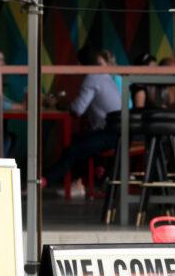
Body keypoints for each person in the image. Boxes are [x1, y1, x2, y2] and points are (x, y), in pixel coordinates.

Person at [42, 46, 122, 189]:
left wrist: (59, 104)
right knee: (77, 140)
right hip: (118, 132)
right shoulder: (104, 76)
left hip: (111, 134)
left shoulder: (92, 78)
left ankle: (46, 182)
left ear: (80, 64)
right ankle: (90, 176)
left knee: (73, 150)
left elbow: (77, 110)